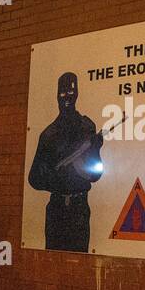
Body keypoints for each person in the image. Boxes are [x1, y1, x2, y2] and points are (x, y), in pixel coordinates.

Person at [29, 72, 105, 251]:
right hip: (56, 210)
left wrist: (95, 149)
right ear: (56, 96)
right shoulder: (48, 135)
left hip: (79, 209)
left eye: (71, 92)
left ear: (77, 93)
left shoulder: (87, 127)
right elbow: (34, 178)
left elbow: (94, 175)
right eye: (62, 94)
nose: (67, 98)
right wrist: (55, 178)